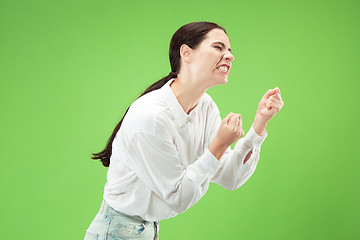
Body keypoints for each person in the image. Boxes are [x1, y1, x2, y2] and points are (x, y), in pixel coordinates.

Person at [84, 21, 284, 240]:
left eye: (229, 50)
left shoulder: (205, 106)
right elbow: (178, 197)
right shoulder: (150, 117)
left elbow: (230, 177)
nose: (229, 56)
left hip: (145, 230)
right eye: (218, 47)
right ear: (186, 53)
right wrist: (219, 144)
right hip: (116, 232)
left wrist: (259, 125)